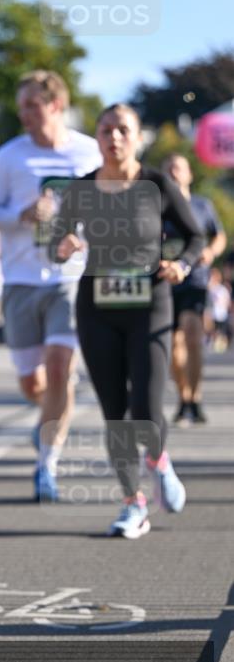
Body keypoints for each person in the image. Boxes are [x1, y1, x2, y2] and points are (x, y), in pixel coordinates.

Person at [51, 104, 204, 539]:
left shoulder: (157, 184)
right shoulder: (81, 189)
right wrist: (62, 244)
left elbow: (194, 236)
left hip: (149, 305)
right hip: (97, 307)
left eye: (123, 130)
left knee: (146, 409)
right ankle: (132, 503)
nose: (113, 137)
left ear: (137, 137)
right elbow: (57, 241)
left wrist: (181, 265)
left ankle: (159, 461)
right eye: (105, 130)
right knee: (114, 414)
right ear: (96, 138)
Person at [0, 70, 102, 501]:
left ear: (55, 105)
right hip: (20, 278)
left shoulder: (89, 153)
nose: (24, 115)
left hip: (69, 278)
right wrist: (22, 215)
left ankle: (46, 465)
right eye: (21, 107)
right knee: (32, 383)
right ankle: (48, 419)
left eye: (32, 105)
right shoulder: (11, 156)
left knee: (58, 369)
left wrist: (83, 238)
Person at [160, 154, 226, 424]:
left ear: (189, 174)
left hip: (195, 279)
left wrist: (210, 251)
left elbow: (218, 235)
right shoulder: (157, 207)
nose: (174, 174)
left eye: (179, 169)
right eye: (169, 170)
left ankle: (195, 398)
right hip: (165, 280)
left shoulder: (202, 205)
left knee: (192, 333)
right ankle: (183, 396)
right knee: (173, 345)